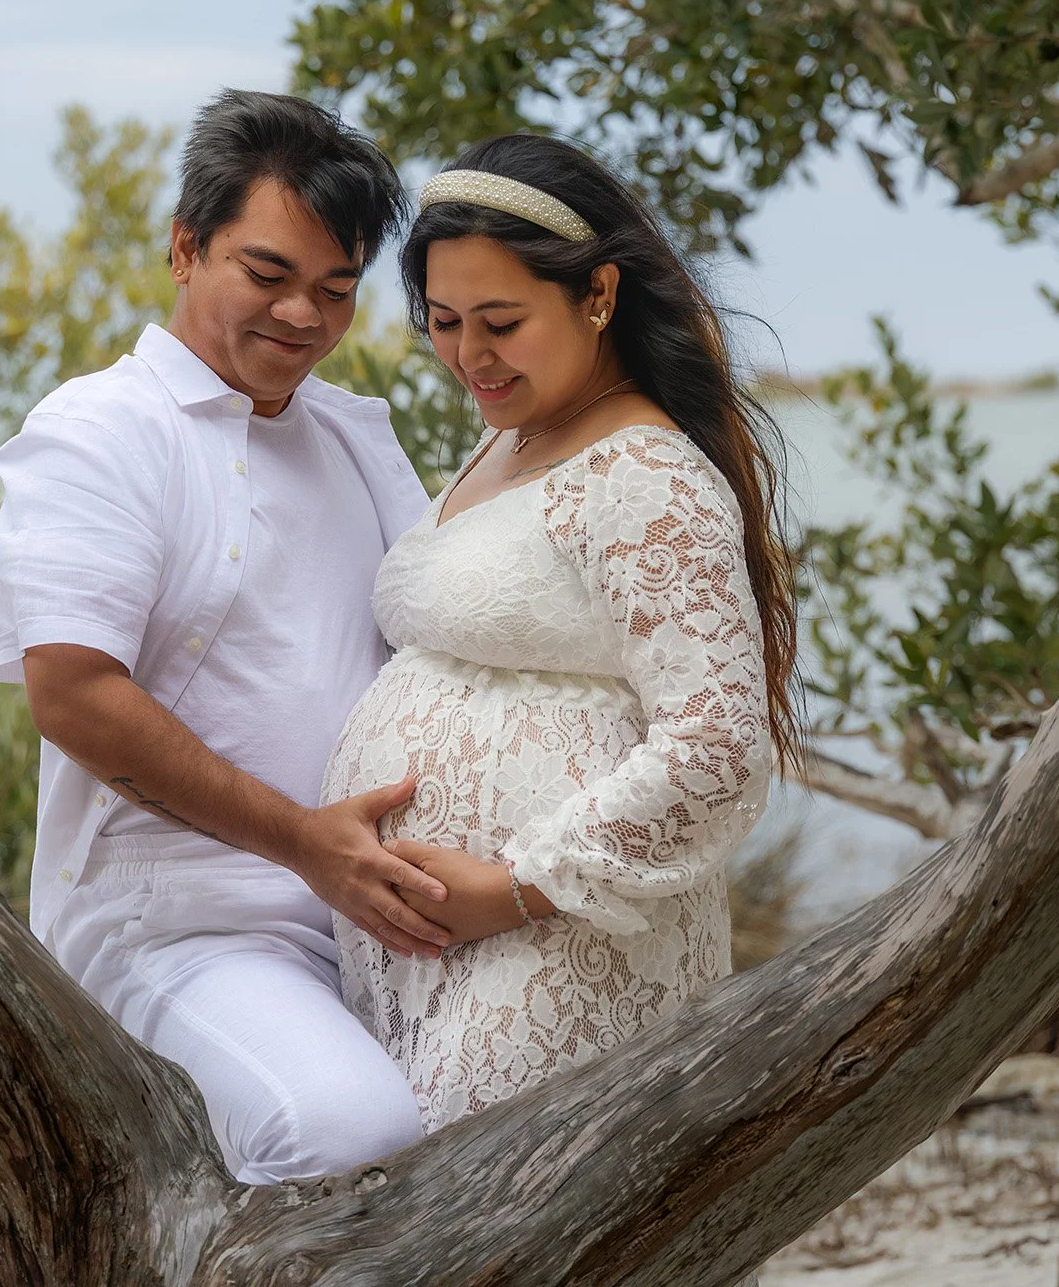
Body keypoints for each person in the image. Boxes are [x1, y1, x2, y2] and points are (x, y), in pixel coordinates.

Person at [0, 90, 444, 1182]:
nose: (303, 318)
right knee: (342, 1134)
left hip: (378, 915)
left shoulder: (354, 434)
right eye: (268, 274)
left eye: (336, 291)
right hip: (178, 927)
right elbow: (73, 693)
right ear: (185, 248)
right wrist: (304, 844)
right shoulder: (99, 428)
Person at [321, 133, 802, 1130]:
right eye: (445, 322)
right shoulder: (511, 436)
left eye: (501, 321)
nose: (468, 356)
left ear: (596, 296)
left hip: (561, 948)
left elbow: (716, 748)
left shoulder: (647, 478)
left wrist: (514, 888)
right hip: (440, 950)